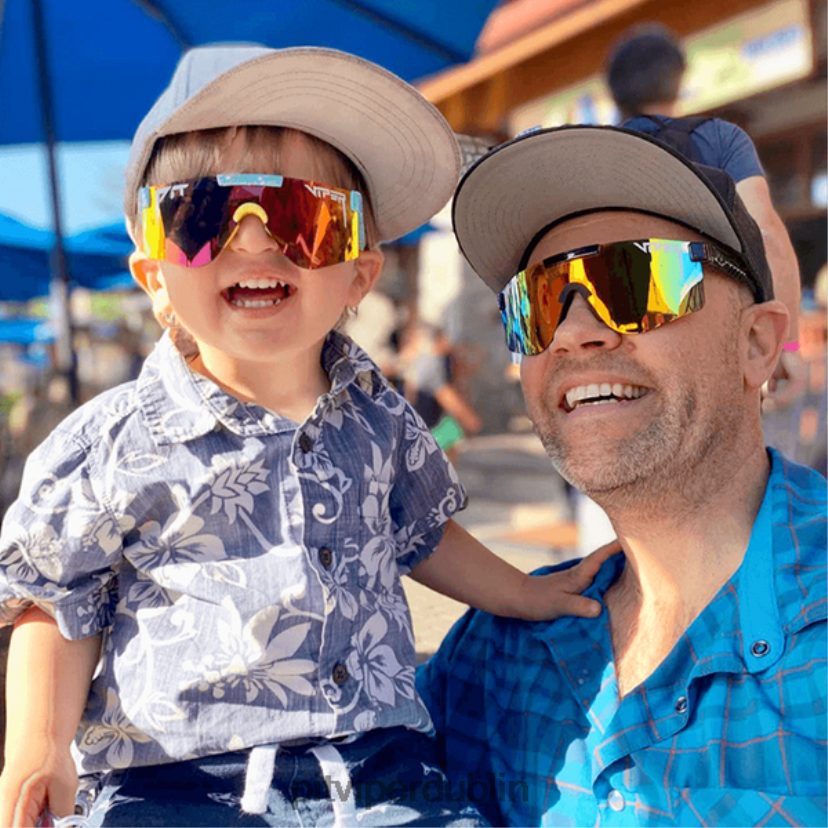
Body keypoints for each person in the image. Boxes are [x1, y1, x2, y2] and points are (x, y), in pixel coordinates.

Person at [0, 47, 612, 828]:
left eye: (303, 217)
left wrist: (523, 592)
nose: (255, 242)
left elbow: (423, 533)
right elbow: (56, 605)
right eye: (202, 217)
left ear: (358, 275)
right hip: (177, 782)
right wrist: (37, 747)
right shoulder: (110, 443)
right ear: (154, 277)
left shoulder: (378, 416)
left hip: (379, 765)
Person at [417, 125, 828, 826]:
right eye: (539, 302)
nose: (573, 333)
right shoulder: (493, 652)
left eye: (635, 281)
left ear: (757, 343)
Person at [606, 24, 806, 406]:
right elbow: (768, 237)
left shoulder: (593, 154)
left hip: (625, 353)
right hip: (709, 341)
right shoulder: (719, 140)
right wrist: (787, 345)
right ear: (679, 81)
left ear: (615, 92)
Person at [399, 323, 482, 464]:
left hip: (411, 429)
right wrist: (470, 420)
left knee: (450, 427)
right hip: (419, 433)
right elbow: (445, 395)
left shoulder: (416, 361)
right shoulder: (429, 361)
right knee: (453, 429)